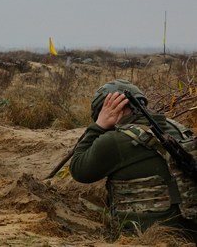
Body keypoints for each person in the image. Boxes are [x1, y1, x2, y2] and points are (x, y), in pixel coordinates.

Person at [70, 79, 197, 241]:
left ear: (107, 110)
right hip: (191, 234)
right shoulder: (178, 128)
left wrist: (99, 126)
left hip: (145, 238)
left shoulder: (114, 141)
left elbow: (79, 170)